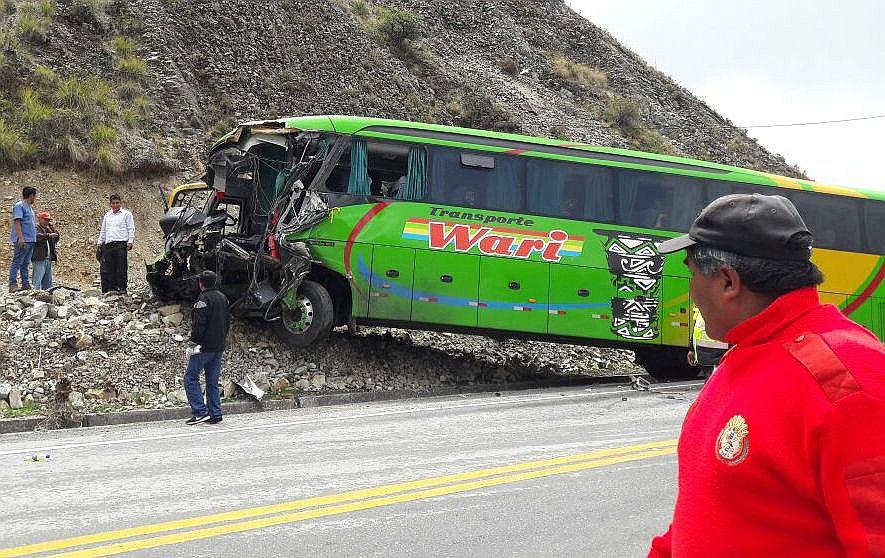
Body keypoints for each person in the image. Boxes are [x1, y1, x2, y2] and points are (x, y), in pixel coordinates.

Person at [648, 193, 884, 557]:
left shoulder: (845, 377)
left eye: (692, 275)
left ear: (728, 282)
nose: (691, 292)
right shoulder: (747, 354)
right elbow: (707, 510)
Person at [184, 270, 230, 425]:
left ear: (201, 284)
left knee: (190, 378)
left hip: (204, 347)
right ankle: (215, 413)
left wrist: (192, 343)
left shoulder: (202, 300)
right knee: (212, 381)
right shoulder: (223, 298)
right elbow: (227, 323)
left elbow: (199, 325)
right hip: (218, 346)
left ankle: (200, 412)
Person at [96, 194, 135, 294]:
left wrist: (130, 241)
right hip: (108, 244)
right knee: (109, 267)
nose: (115, 205)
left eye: (117, 202)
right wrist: (99, 243)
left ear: (120, 203)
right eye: (113, 203)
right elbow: (103, 230)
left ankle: (122, 288)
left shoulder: (126, 214)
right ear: (110, 204)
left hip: (121, 244)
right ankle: (111, 288)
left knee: (121, 267)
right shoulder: (107, 215)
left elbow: (131, 228)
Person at [8, 186, 37, 292]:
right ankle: (12, 284)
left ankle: (25, 283)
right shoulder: (19, 206)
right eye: (35, 196)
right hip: (23, 240)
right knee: (17, 262)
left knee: (25, 263)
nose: (35, 198)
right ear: (31, 195)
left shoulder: (29, 207)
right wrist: (20, 238)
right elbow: (17, 222)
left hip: (30, 240)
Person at [686, 306, 727, 377]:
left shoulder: (703, 304)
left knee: (711, 381)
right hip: (719, 352)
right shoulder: (726, 304)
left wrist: (691, 349)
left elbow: (696, 327)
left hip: (704, 352)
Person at [31, 211, 59, 291]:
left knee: (48, 283)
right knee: (37, 280)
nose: (47, 222)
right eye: (45, 220)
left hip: (48, 259)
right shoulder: (36, 228)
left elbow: (55, 239)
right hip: (39, 258)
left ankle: (46, 298)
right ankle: (34, 297)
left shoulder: (48, 229)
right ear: (40, 219)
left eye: (48, 220)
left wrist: (54, 230)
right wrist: (48, 235)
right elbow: (37, 237)